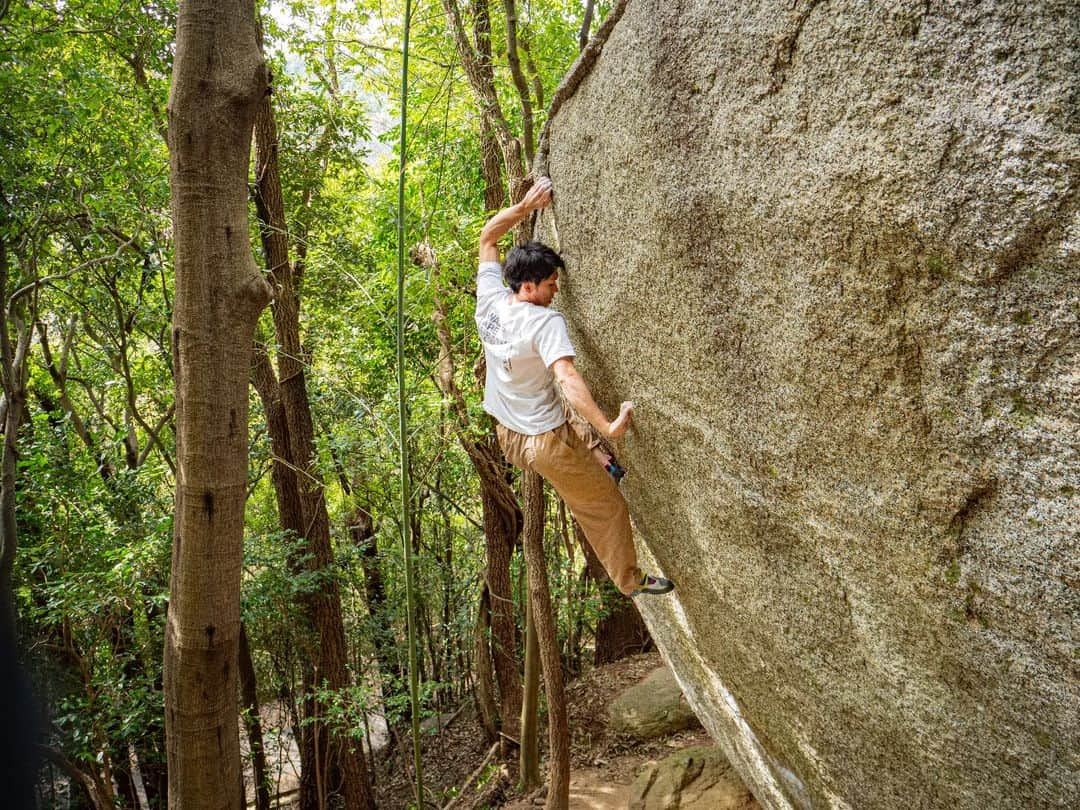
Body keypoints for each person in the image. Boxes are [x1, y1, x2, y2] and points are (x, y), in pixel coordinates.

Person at [476, 177, 674, 597]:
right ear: (528, 287)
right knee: (605, 507)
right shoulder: (544, 322)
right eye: (550, 284)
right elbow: (567, 377)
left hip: (508, 434)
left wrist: (526, 207)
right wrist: (608, 425)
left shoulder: (490, 301)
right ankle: (629, 579)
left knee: (564, 417)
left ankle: (599, 458)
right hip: (546, 443)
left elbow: (488, 237)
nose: (556, 290)